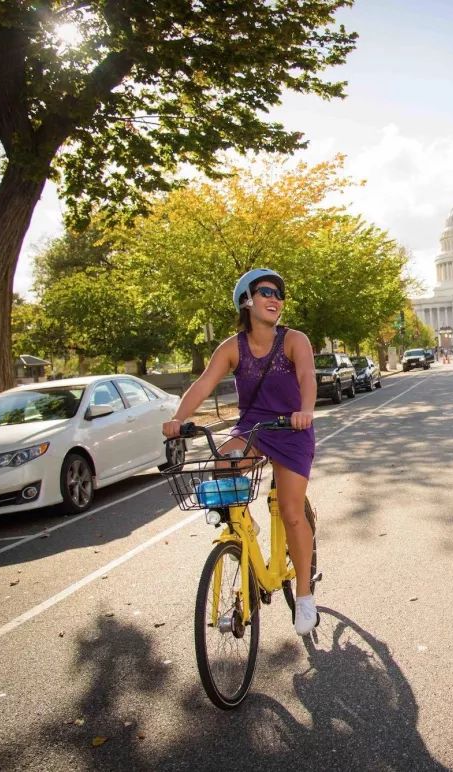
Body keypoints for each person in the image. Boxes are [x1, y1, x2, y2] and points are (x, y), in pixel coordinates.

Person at [163, 268, 319, 635]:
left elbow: (308, 377)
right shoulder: (233, 347)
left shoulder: (295, 340)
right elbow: (203, 384)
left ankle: (304, 595)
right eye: (266, 291)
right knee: (222, 463)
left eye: (279, 294)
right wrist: (178, 420)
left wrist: (306, 411)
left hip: (292, 428)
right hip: (253, 427)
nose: (275, 299)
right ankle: (240, 532)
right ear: (246, 300)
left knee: (293, 511)